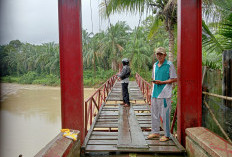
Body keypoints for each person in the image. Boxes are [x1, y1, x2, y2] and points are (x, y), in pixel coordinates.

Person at [148, 47, 177, 142]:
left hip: (165, 94)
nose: (159, 56)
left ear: (165, 55)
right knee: (154, 113)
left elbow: (174, 79)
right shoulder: (155, 65)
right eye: (157, 54)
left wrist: (162, 82)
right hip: (154, 94)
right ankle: (155, 131)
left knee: (165, 115)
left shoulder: (169, 65)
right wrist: (150, 90)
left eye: (161, 54)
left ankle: (167, 134)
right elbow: (153, 78)